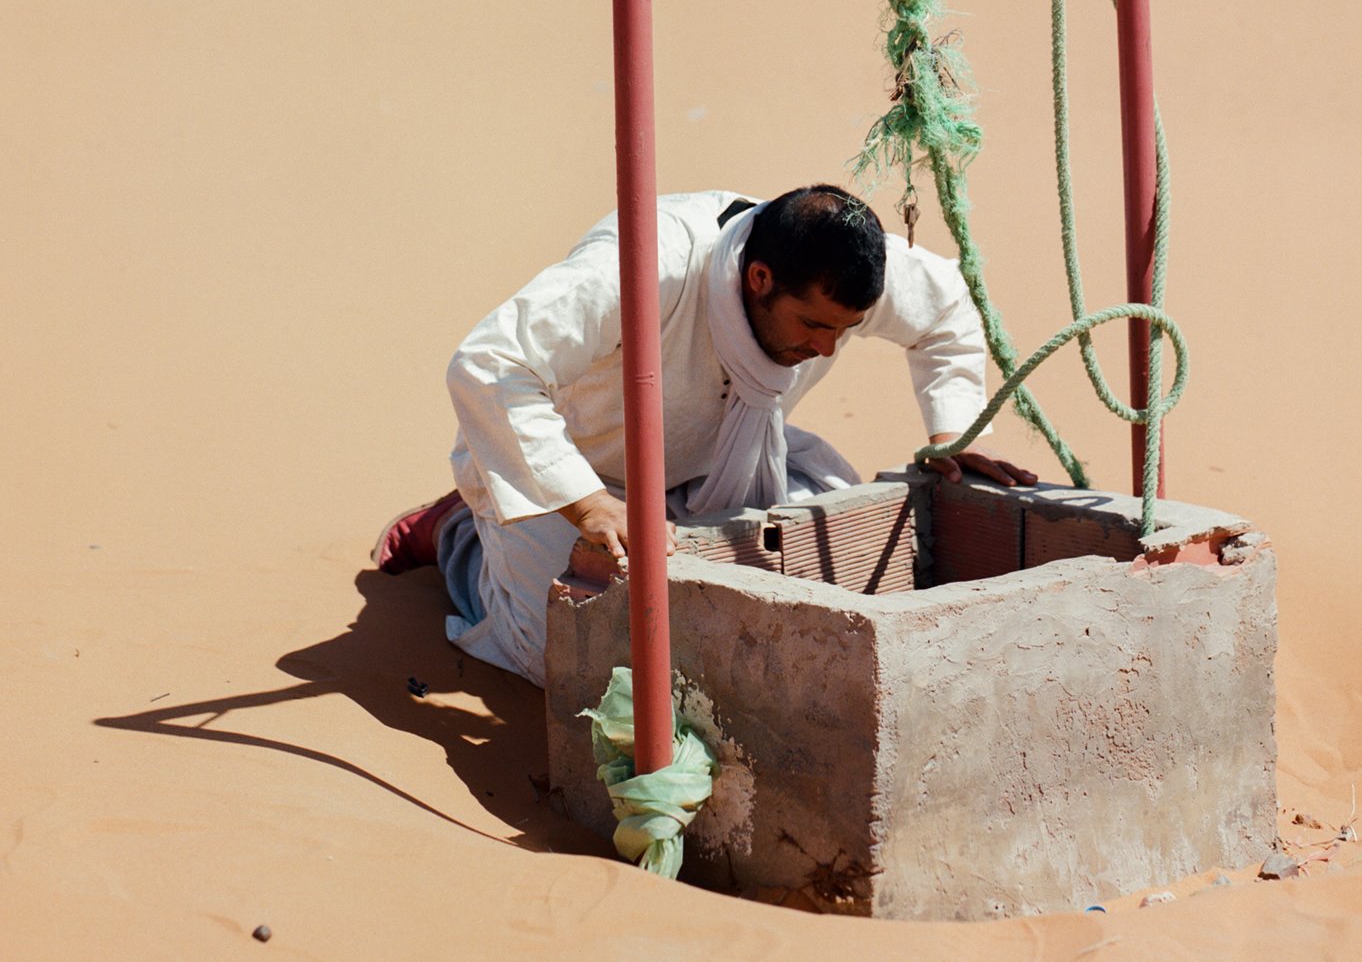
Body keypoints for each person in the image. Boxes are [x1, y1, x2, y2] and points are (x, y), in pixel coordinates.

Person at [374, 184, 1034, 685]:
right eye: (813, 326)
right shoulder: (643, 267)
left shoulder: (841, 272)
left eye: (845, 329)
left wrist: (954, 431)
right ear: (758, 279)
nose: (828, 348)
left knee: (835, 574)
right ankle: (459, 533)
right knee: (571, 658)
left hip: (729, 456)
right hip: (576, 471)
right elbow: (490, 364)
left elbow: (945, 306)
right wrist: (588, 504)